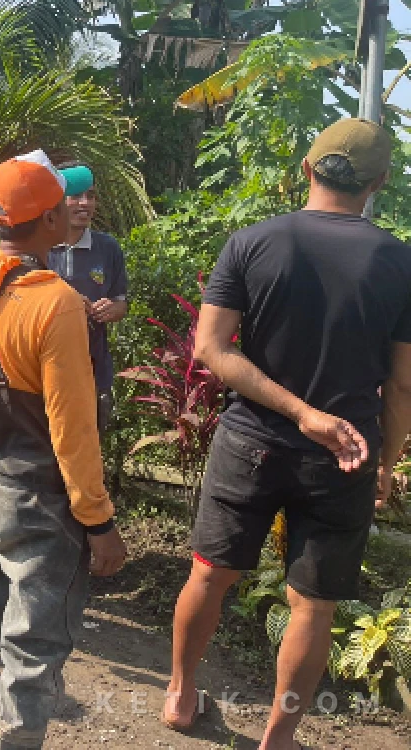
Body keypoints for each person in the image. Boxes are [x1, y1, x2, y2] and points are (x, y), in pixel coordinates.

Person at [163, 119, 411, 750]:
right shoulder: (400, 263)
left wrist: (296, 411)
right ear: (380, 182)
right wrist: (387, 461)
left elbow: (212, 349)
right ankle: (278, 739)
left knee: (209, 575)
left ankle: (180, 696)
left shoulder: (252, 242)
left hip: (250, 440)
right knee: (313, 607)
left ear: (307, 168)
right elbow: (404, 385)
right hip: (346, 454)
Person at [0, 151, 127, 749]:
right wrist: (98, 521)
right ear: (48, 220)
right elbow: (72, 430)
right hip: (37, 503)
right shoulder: (58, 303)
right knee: (32, 646)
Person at [46, 164, 128, 435]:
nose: (85, 203)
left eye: (90, 196)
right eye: (76, 196)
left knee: (89, 446)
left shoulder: (108, 248)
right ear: (56, 201)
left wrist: (113, 309)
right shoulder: (40, 247)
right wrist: (66, 303)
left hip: (94, 372)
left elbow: (121, 303)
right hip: (45, 372)